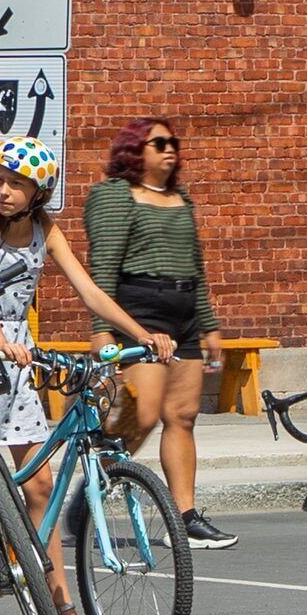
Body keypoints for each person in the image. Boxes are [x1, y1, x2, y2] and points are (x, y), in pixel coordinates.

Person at [0, 134, 153, 615]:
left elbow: (89, 290)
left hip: (19, 357)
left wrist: (140, 334)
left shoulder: (47, 230)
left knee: (41, 486)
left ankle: (63, 608)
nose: (3, 191)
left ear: (38, 192)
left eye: (15, 184)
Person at [87, 116, 230, 548]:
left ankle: (184, 517)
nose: (170, 149)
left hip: (183, 311)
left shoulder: (179, 197)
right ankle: (99, 481)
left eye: (173, 141)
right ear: (136, 151)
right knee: (142, 415)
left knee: (182, 417)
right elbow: (103, 269)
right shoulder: (115, 196)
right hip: (139, 308)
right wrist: (102, 331)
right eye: (159, 143)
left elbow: (196, 268)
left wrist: (208, 325)